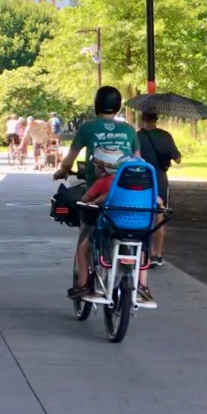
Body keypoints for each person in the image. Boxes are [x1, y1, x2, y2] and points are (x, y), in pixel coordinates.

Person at [54, 86, 143, 300]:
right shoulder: (129, 130)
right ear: (118, 105)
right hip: (125, 191)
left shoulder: (87, 128)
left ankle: (83, 284)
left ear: (96, 105)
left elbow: (69, 160)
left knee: (86, 233)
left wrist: (62, 172)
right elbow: (137, 159)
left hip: (97, 189)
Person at [137, 111, 182, 267]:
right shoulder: (165, 136)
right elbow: (178, 158)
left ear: (143, 119)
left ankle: (145, 253)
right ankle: (158, 255)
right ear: (156, 119)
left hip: (141, 181)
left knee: (142, 216)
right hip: (160, 181)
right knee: (159, 217)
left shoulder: (137, 137)